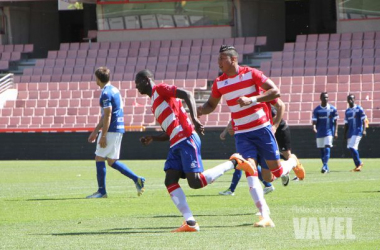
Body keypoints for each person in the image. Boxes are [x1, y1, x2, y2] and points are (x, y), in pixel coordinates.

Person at [135, 69, 273, 231]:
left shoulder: (160, 89)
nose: (136, 88)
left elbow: (187, 94)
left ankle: (234, 163)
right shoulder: (154, 102)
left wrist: (194, 118)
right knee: (170, 180)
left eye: (137, 83)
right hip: (175, 142)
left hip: (186, 138)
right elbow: (169, 130)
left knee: (195, 182)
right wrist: (154, 138)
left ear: (146, 79)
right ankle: (191, 222)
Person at [198, 45, 305, 191]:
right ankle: (261, 210)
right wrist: (200, 111)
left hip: (262, 129)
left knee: (275, 173)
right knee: (251, 170)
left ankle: (292, 161)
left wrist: (252, 100)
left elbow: (276, 93)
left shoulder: (251, 74)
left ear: (233, 59)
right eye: (218, 59)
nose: (218, 62)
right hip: (242, 133)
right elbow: (210, 105)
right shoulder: (219, 82)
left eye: (222, 58)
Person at [87, 67, 145, 198]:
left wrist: (104, 135)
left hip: (111, 129)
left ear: (98, 78)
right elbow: (107, 115)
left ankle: (102, 192)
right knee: (112, 161)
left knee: (99, 157)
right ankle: (137, 179)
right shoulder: (114, 90)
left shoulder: (106, 93)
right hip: (118, 128)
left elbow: (107, 115)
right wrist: (95, 131)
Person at [312, 92, 338, 174]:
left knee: (327, 148)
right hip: (320, 132)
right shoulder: (317, 110)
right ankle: (326, 167)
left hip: (329, 132)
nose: (326, 99)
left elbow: (336, 121)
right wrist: (314, 127)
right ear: (321, 98)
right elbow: (314, 122)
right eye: (324, 97)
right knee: (322, 151)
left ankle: (325, 165)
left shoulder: (332, 109)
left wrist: (336, 131)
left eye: (327, 97)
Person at [344, 94, 367, 172]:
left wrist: (364, 130)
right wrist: (345, 134)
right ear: (347, 100)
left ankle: (359, 163)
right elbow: (346, 124)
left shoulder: (359, 109)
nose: (350, 100)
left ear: (354, 100)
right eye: (349, 99)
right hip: (350, 132)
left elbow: (364, 120)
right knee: (352, 148)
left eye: (352, 99)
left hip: (358, 131)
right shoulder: (347, 111)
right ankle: (357, 166)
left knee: (352, 147)